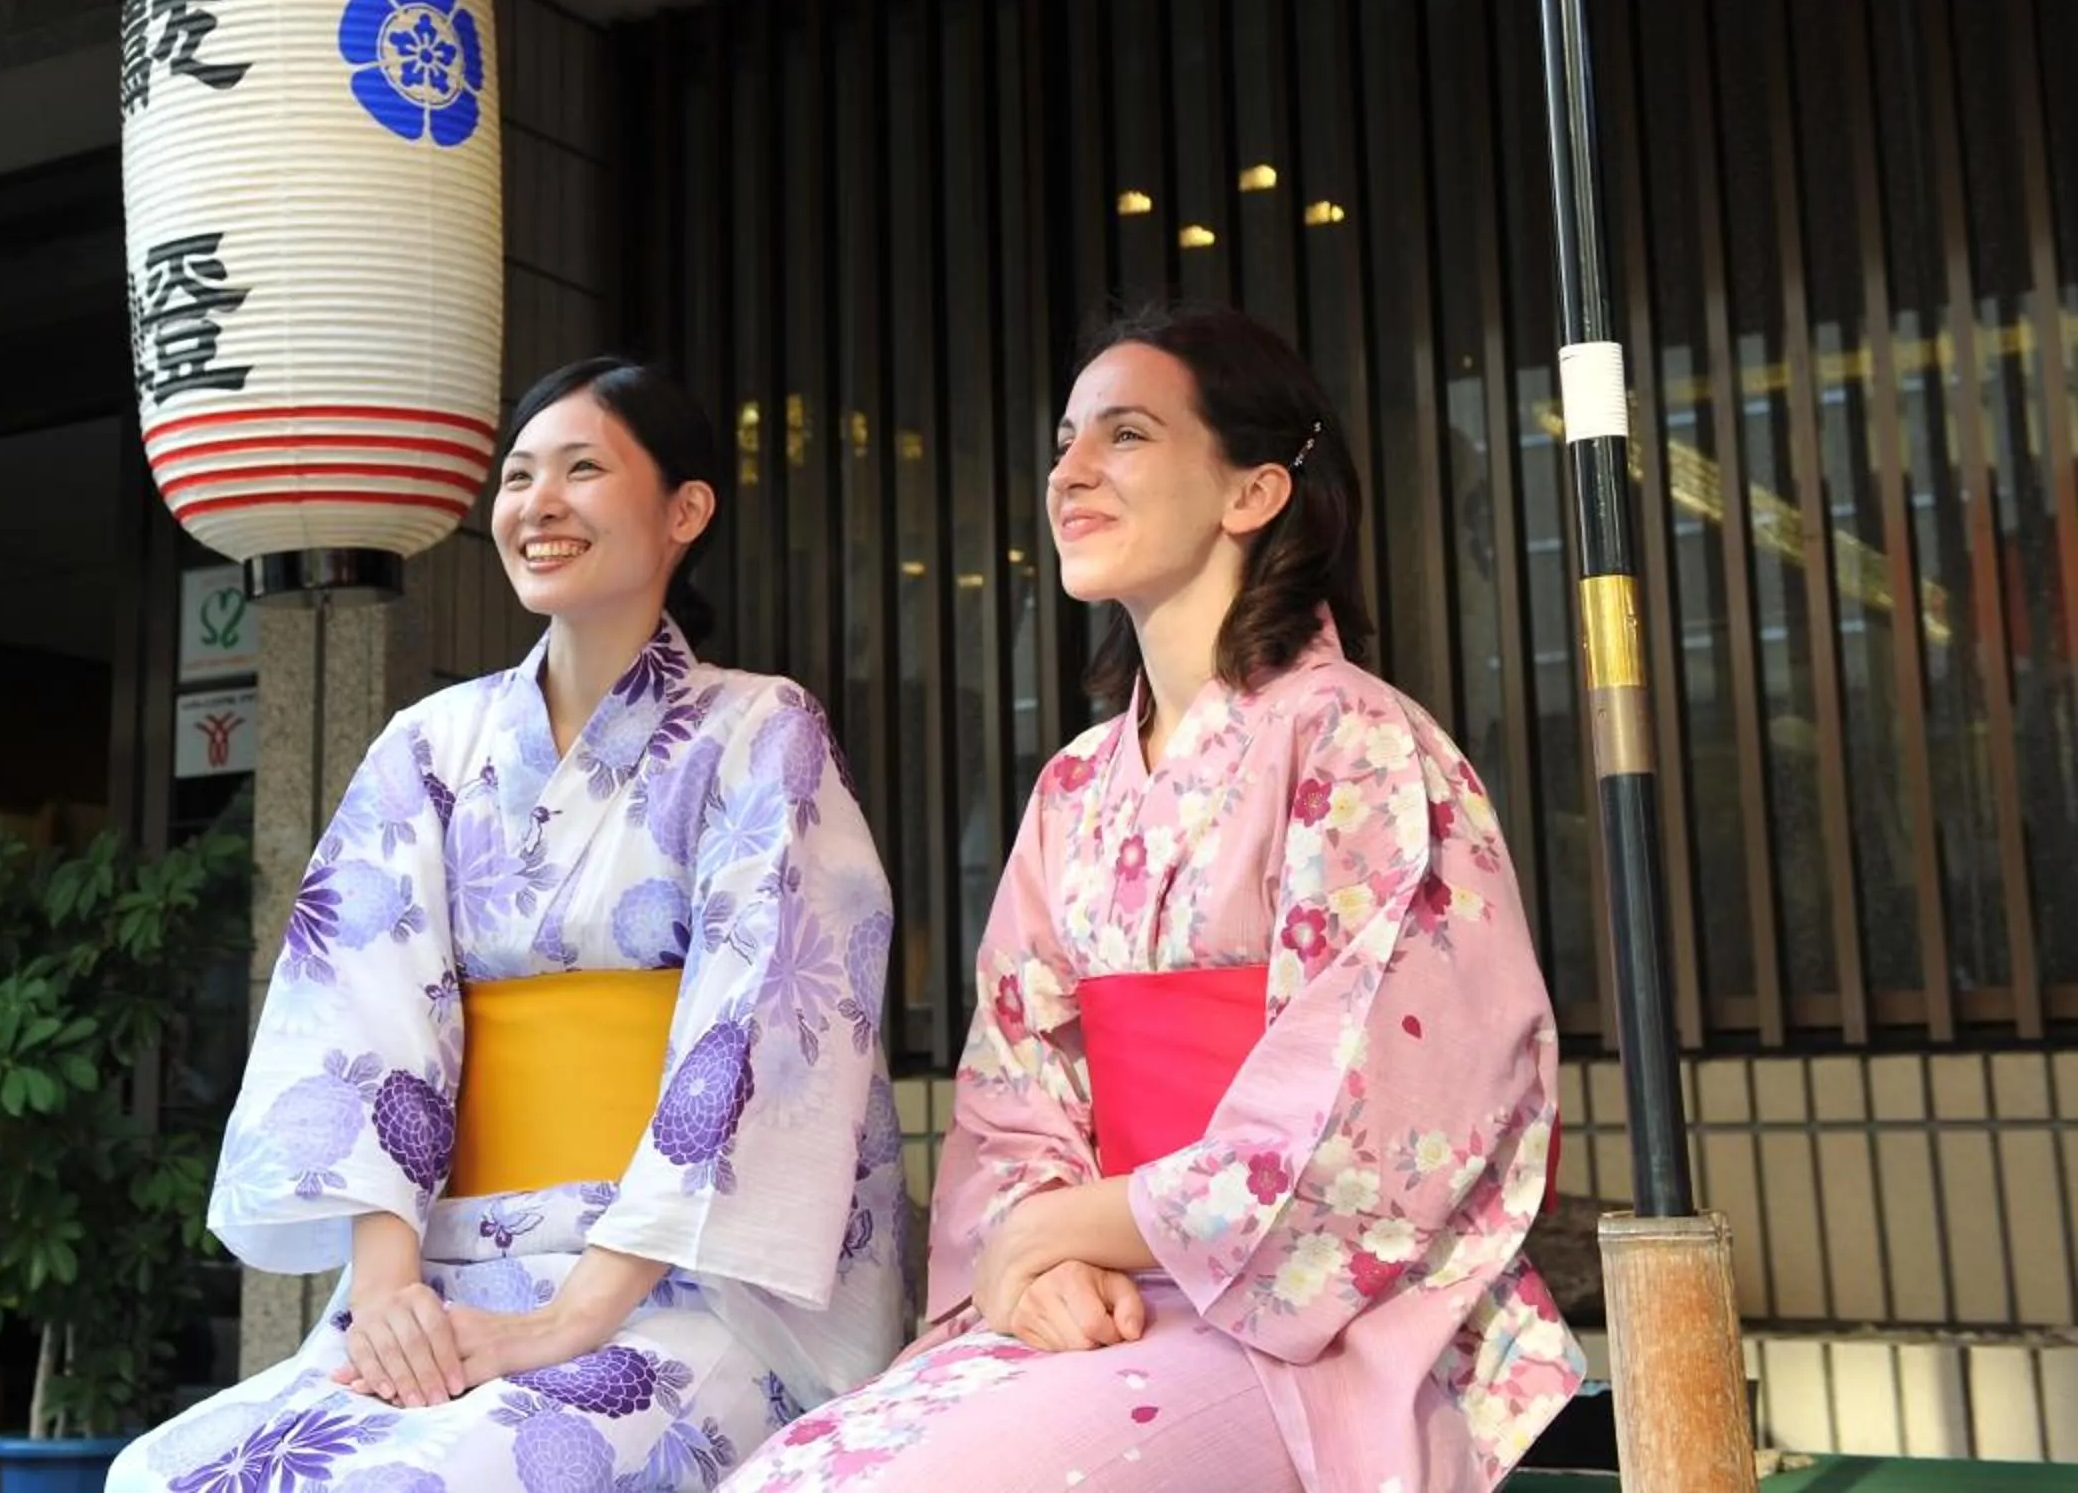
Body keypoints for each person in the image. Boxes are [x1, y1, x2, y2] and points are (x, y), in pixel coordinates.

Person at [724, 304, 1580, 1493]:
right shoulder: (1076, 785)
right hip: (1109, 1296)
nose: (1069, 472)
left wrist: (1066, 1227)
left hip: (1313, 1326)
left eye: (1125, 435)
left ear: (1254, 491)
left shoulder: (1360, 741)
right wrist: (1034, 1260)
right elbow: (1014, 1095)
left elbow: (1376, 1116)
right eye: (1066, 440)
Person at [112, 357, 907, 1493]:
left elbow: (758, 1038)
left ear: (686, 510)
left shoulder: (756, 731)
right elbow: (363, 1010)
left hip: (677, 1282)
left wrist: (564, 1323)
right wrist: (389, 1301)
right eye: (519, 474)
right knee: (166, 1475)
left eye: (583, 469)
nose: (538, 502)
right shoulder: (430, 746)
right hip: (451, 1270)